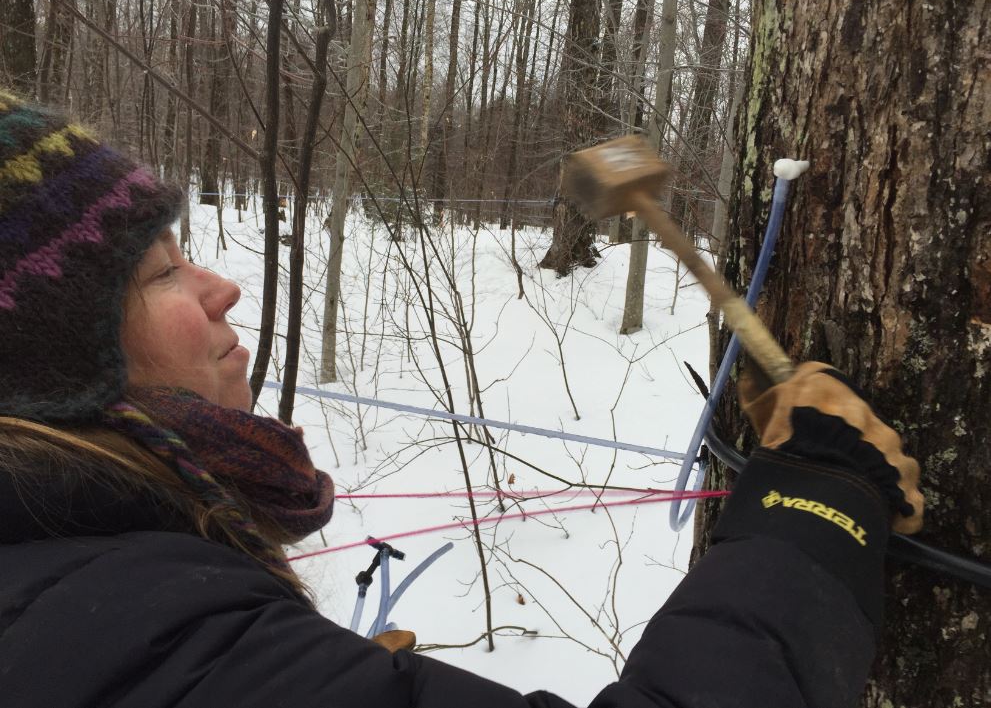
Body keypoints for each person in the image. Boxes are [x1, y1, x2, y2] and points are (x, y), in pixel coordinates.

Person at [0, 93, 923, 708]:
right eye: (159, 267)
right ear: (49, 358)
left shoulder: (80, 577)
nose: (221, 288)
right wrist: (816, 503)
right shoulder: (137, 629)